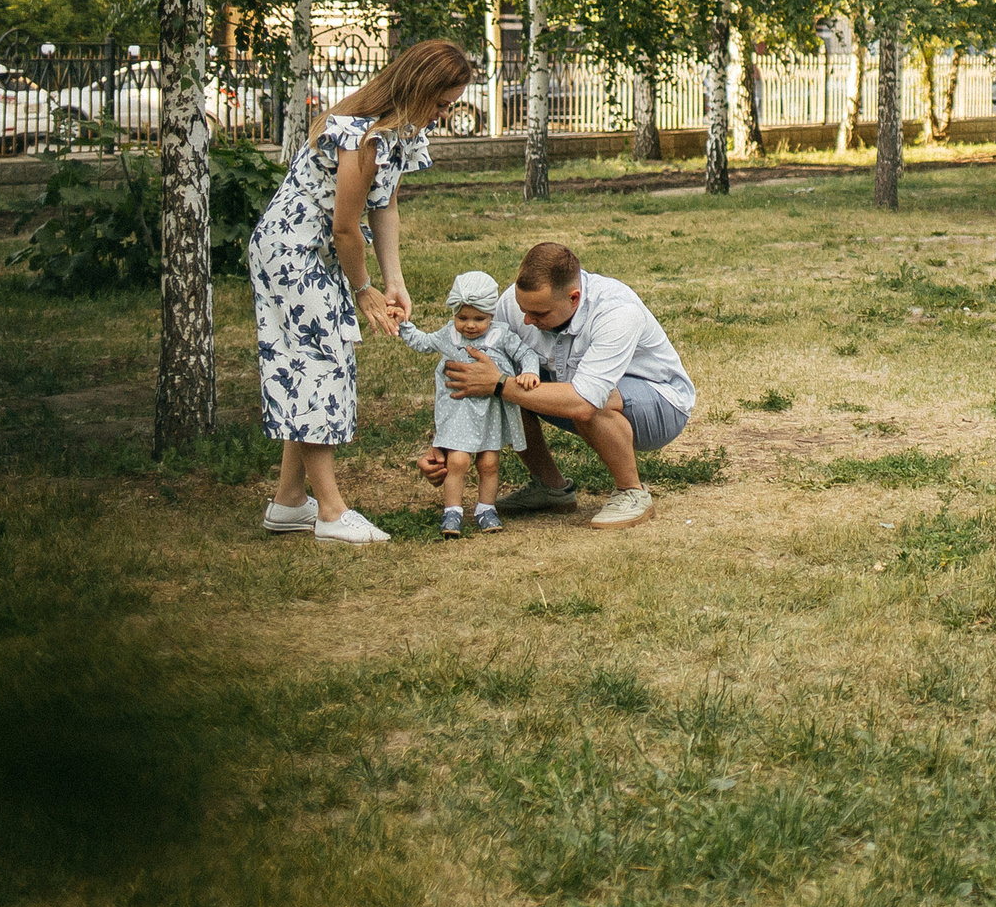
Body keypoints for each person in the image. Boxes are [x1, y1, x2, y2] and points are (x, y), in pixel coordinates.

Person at [250, 37, 475, 545]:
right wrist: (365, 290)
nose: (442, 115)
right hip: (294, 251)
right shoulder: (360, 136)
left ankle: (289, 501)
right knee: (320, 361)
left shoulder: (402, 135)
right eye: (440, 103)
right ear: (417, 87)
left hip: (320, 248)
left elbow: (385, 207)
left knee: (309, 361)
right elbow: (345, 229)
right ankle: (330, 513)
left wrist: (394, 280)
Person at [418, 241, 696, 531]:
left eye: (538, 314)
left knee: (586, 401)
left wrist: (500, 384)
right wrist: (442, 443)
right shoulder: (514, 305)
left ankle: (631, 493)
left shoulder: (616, 311)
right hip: (579, 391)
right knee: (502, 385)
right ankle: (551, 489)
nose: (526, 319)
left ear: (574, 298)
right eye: (523, 309)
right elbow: (474, 380)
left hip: (662, 403)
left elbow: (583, 401)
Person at [394, 270, 539, 537]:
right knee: (458, 461)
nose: (470, 325)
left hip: (489, 412)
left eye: (478, 319)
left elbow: (525, 353)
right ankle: (452, 512)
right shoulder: (450, 335)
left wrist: (529, 371)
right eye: (462, 318)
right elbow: (423, 342)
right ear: (454, 315)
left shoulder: (500, 335)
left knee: (488, 463)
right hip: (459, 411)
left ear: (491, 316)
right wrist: (404, 325)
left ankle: (486, 508)